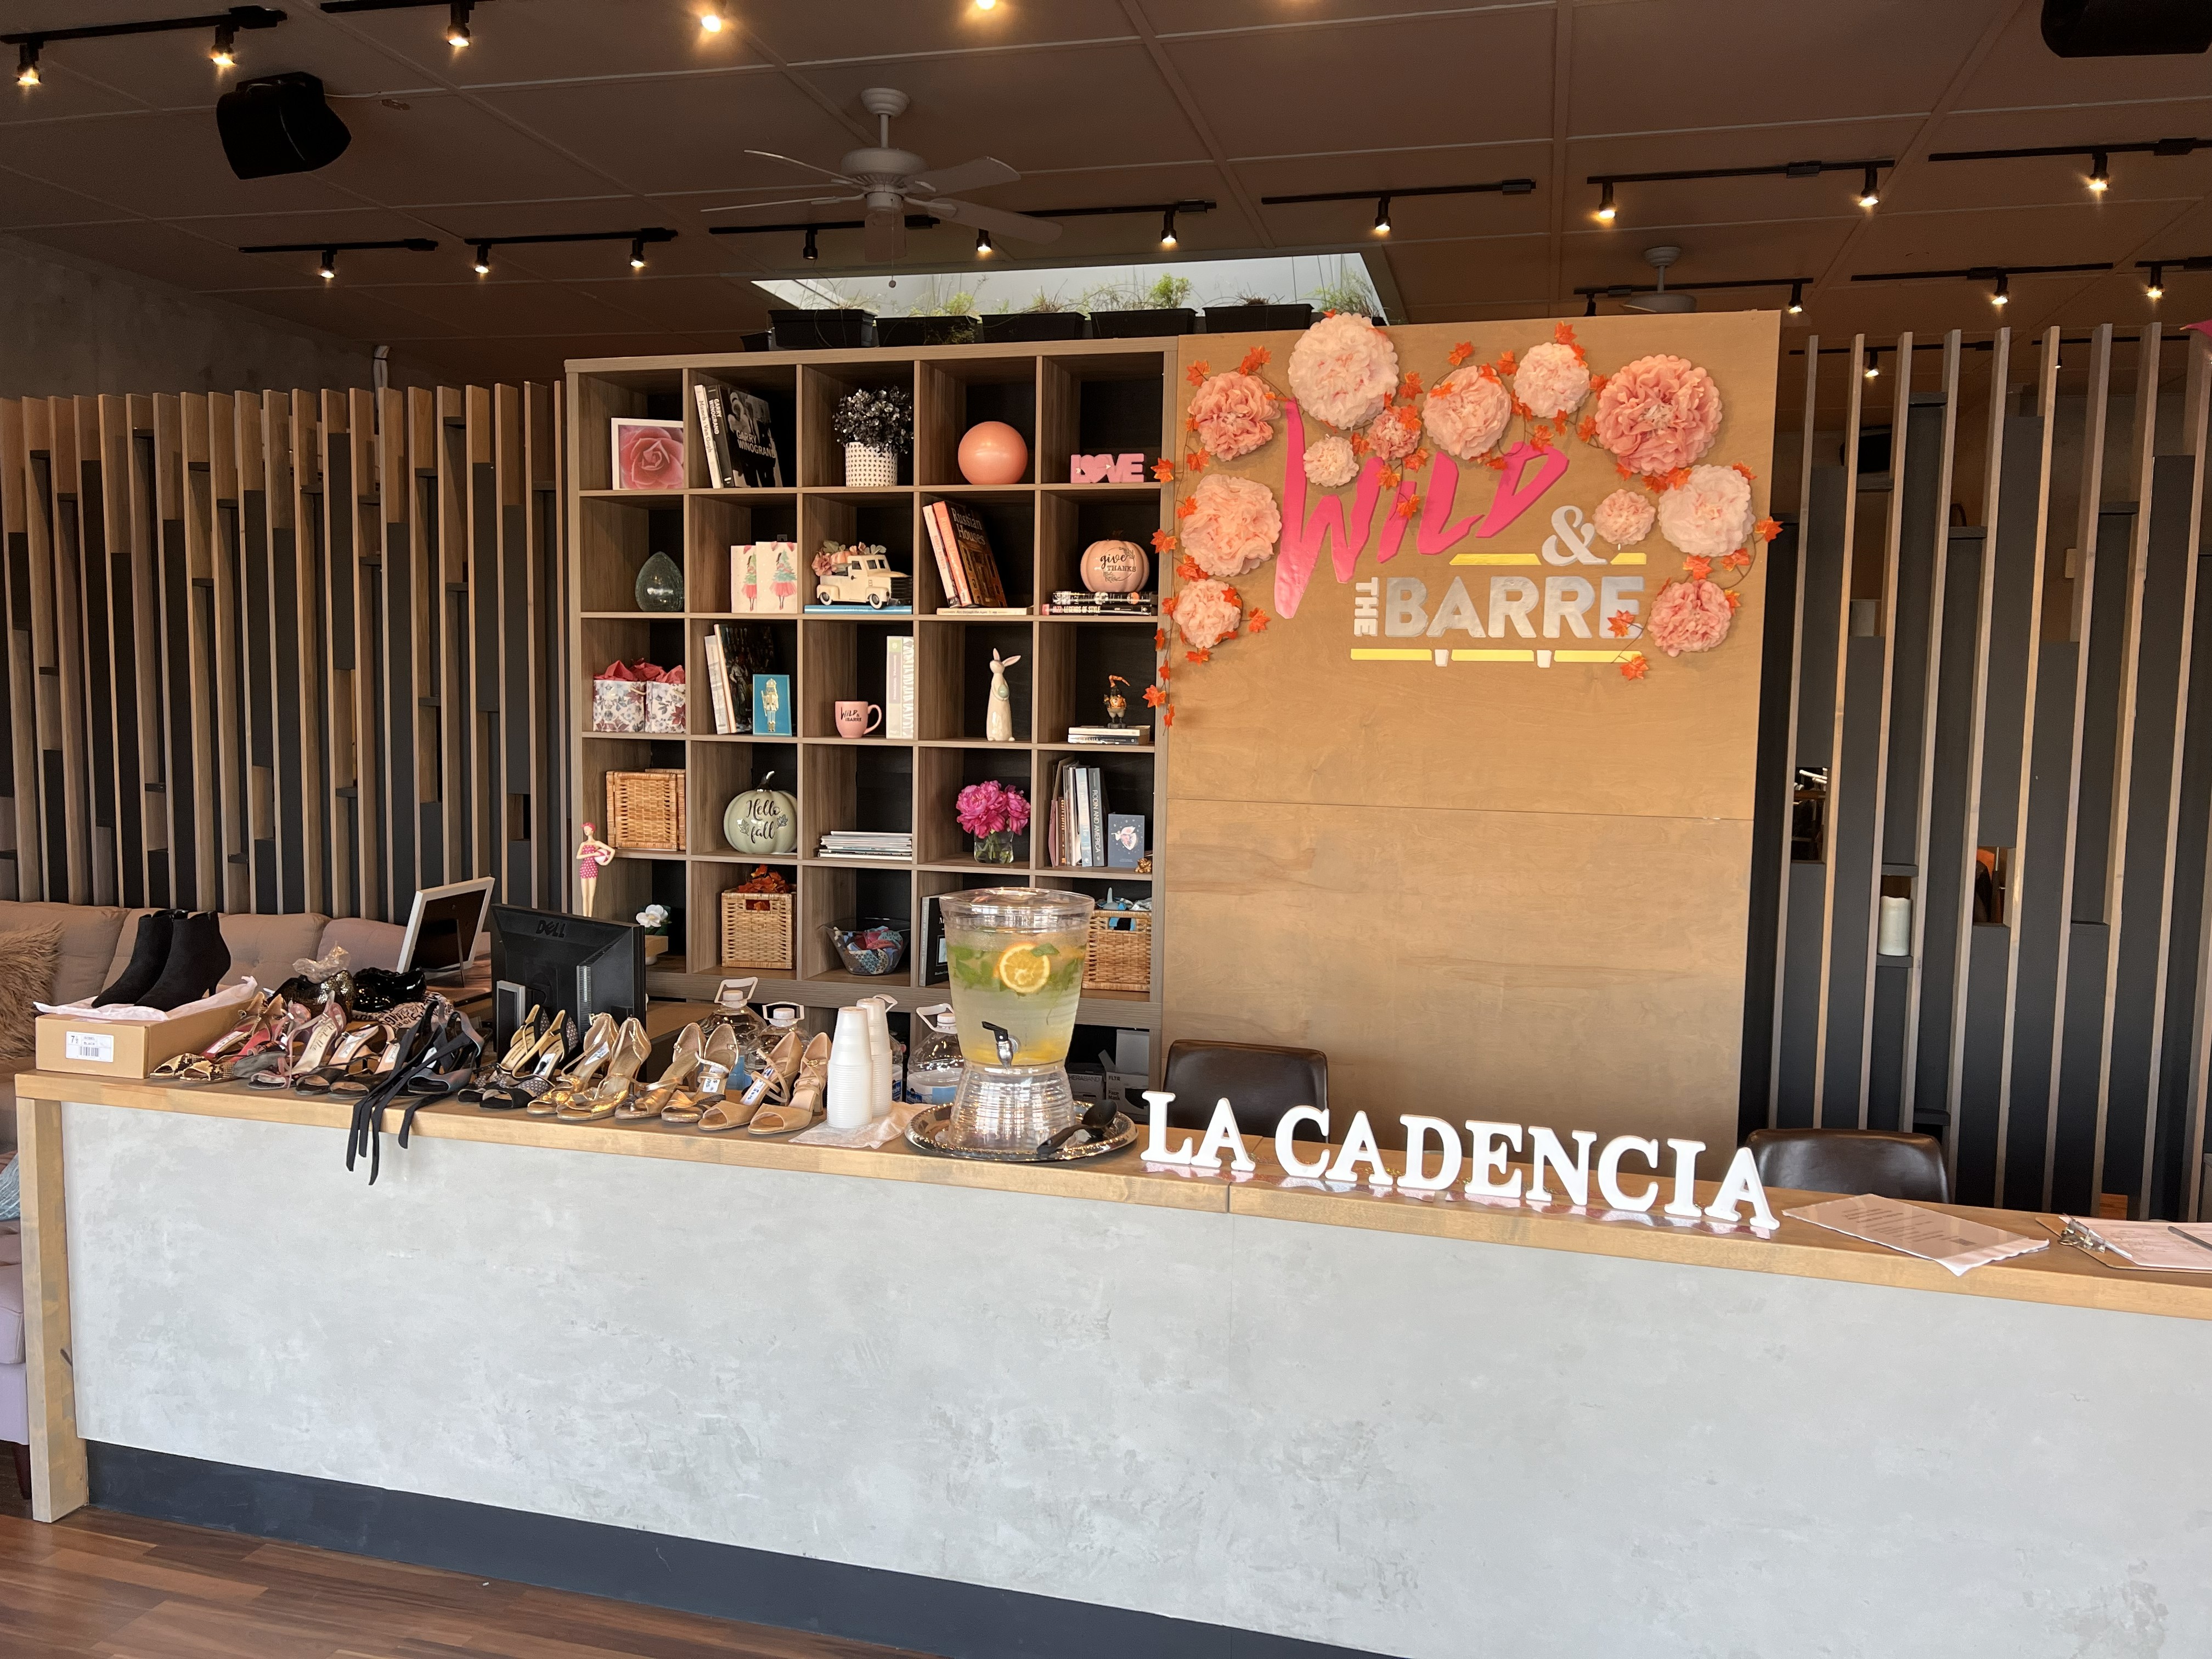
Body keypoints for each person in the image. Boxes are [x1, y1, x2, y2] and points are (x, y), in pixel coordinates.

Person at [576, 823, 617, 916]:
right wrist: (593, 854)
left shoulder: (597, 843)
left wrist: (606, 862)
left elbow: (612, 851)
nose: (586, 831)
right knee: (585, 896)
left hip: (593, 869)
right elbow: (578, 856)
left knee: (591, 896)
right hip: (585, 868)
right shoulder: (584, 844)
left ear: (593, 831)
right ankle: (584, 916)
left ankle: (590, 917)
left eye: (588, 829)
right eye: (585, 830)